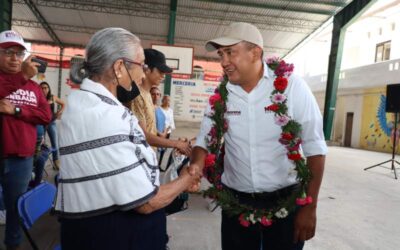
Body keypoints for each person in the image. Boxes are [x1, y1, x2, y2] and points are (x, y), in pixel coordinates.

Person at [53, 27, 200, 250]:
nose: (143, 74)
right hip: (111, 235)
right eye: (141, 65)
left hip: (89, 228)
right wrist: (187, 178)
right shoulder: (105, 116)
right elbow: (147, 203)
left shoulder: (81, 101)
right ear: (119, 67)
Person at [190, 22, 327, 250]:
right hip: (235, 202)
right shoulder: (222, 96)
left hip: (285, 199)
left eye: (230, 52)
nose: (223, 62)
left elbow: (315, 148)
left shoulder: (291, 87)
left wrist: (309, 207)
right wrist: (195, 166)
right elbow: (204, 140)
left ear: (255, 52)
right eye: (221, 54)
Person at [0, 30, 52, 250]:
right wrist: (22, 77)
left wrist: (17, 110)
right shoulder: (21, 79)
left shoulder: (32, 86)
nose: (15, 58)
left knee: (15, 209)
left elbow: (46, 116)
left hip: (22, 160)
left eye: (19, 54)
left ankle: (12, 246)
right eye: (8, 52)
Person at [128, 48, 191, 156]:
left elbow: (149, 127)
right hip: (141, 156)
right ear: (147, 69)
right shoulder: (137, 96)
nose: (163, 75)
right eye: (160, 71)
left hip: (150, 154)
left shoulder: (147, 94)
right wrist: (176, 143)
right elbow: (143, 135)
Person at [39, 81, 65, 170]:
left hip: (51, 123)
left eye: (46, 88)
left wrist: (59, 112)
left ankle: (56, 161)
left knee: (55, 143)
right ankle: (40, 163)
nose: (44, 89)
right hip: (41, 123)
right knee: (41, 144)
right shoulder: (37, 98)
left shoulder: (52, 97)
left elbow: (63, 104)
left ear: (48, 88)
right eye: (41, 88)